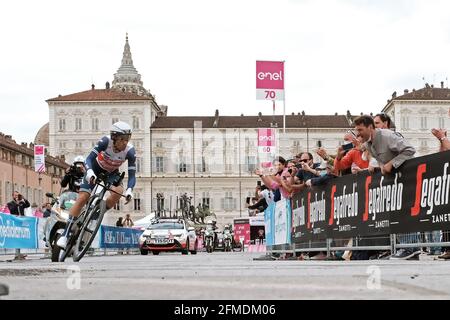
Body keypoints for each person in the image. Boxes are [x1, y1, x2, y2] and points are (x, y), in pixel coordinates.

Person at [57, 121, 136, 249]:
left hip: (111, 173)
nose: (125, 142)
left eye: (128, 139)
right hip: (95, 168)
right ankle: (65, 235)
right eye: (123, 139)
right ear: (114, 137)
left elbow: (132, 175)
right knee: (82, 198)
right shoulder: (105, 141)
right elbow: (88, 159)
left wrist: (130, 190)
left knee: (118, 191)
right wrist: (89, 172)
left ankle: (96, 214)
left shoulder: (130, 151)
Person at [354, 115, 419, 260]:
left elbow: (410, 150)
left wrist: (391, 164)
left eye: (360, 130)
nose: (358, 134)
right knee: (396, 213)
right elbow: (380, 158)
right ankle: (405, 249)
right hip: (394, 180)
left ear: (371, 127)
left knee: (406, 212)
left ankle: (410, 248)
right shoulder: (369, 143)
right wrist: (383, 165)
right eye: (356, 131)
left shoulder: (388, 136)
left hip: (408, 177)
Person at [7, 191, 30, 260]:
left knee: (22, 237)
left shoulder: (21, 202)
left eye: (18, 195)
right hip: (15, 221)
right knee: (17, 237)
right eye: (15, 195)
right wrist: (17, 204)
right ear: (13, 196)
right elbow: (11, 210)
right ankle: (17, 254)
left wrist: (24, 198)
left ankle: (20, 253)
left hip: (22, 221)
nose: (17, 197)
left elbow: (28, 205)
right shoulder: (10, 203)